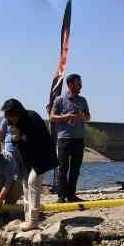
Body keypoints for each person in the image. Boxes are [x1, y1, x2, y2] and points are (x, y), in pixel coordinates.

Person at [1, 97, 59, 227]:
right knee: (25, 185)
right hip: (26, 157)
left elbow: (38, 140)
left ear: (18, 112)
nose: (10, 120)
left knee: (33, 182)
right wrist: (15, 138)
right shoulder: (12, 122)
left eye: (11, 117)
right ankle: (27, 218)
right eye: (8, 118)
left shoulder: (32, 117)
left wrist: (20, 135)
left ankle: (33, 220)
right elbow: (18, 144)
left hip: (42, 155)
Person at [48, 73, 91, 203]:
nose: (81, 86)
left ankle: (71, 195)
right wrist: (66, 117)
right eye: (79, 83)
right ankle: (61, 196)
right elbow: (51, 117)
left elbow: (88, 118)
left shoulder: (83, 100)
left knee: (75, 169)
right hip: (64, 139)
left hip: (79, 139)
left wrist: (82, 115)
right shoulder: (59, 100)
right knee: (63, 168)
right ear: (71, 84)